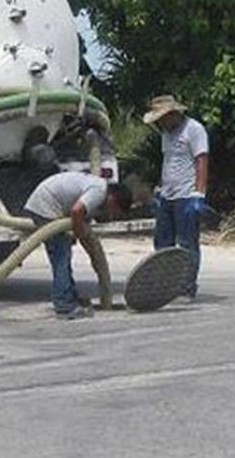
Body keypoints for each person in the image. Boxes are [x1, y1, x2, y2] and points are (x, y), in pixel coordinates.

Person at [24, 172, 133, 319]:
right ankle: (64, 305)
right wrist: (77, 234)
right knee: (61, 258)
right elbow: (76, 211)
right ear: (113, 199)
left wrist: (84, 241)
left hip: (46, 203)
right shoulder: (98, 192)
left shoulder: (98, 191)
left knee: (63, 256)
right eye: (115, 210)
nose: (111, 214)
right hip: (46, 207)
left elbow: (81, 218)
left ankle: (70, 298)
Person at [143, 95, 209, 298]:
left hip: (186, 195)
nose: (160, 123)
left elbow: (201, 160)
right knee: (162, 244)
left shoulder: (194, 129)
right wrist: (160, 188)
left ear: (173, 114)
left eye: (162, 118)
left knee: (187, 243)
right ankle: (166, 285)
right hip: (167, 195)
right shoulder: (166, 133)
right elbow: (169, 162)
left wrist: (199, 193)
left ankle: (186, 287)